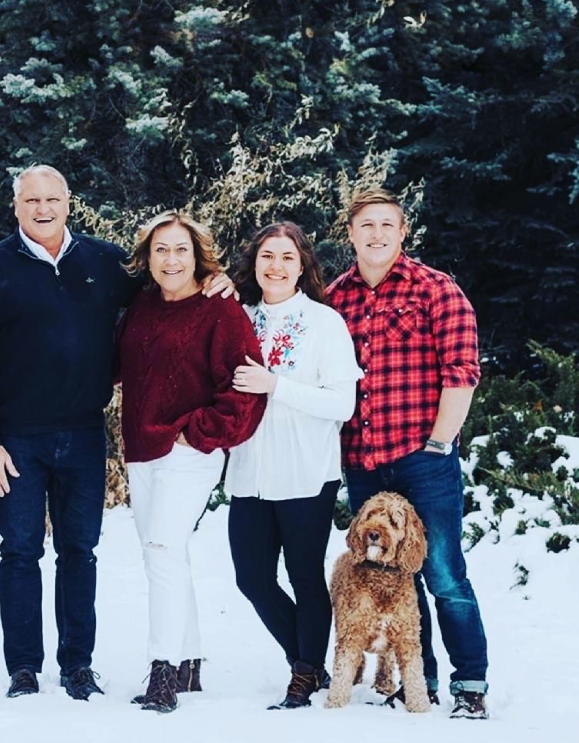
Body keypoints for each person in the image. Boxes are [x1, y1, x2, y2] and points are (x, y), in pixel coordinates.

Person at [0, 165, 234, 701]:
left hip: (83, 433)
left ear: (68, 202)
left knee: (79, 551)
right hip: (15, 439)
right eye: (31, 199)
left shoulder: (104, 261)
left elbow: (170, 277)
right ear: (15, 205)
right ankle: (23, 667)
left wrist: (217, 280)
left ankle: (78, 665)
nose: (43, 208)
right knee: (18, 551)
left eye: (53, 198)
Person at [326, 188, 489, 720]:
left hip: (425, 456)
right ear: (349, 234)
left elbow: (462, 372)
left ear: (403, 232)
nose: (375, 234)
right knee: (391, 574)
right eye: (365, 225)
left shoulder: (436, 289)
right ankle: (423, 680)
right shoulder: (333, 298)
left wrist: (440, 444)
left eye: (386, 225)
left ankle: (470, 683)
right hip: (364, 460)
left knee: (441, 570)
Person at [117, 211, 266, 714]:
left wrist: (197, 434)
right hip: (142, 448)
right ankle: (189, 661)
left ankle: (162, 673)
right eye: (161, 249)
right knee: (166, 553)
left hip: (190, 451)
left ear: (198, 255)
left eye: (181, 249)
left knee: (161, 547)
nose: (171, 259)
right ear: (148, 257)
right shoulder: (141, 305)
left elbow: (245, 387)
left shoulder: (220, 309)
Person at [225, 222, 362, 709]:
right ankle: (307, 658)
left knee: (305, 575)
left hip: (305, 473)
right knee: (252, 579)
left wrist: (276, 386)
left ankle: (304, 673)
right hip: (248, 473)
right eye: (267, 256)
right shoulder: (237, 317)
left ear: (302, 265)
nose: (276, 266)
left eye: (287, 257)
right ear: (254, 262)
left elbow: (341, 404)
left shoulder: (325, 323)